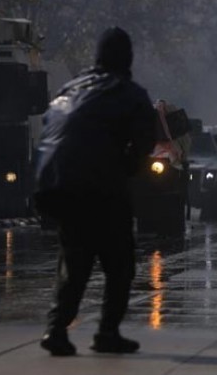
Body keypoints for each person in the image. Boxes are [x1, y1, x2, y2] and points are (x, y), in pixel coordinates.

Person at [34, 27, 156, 356]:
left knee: (73, 262)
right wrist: (126, 167)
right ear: (127, 57)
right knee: (120, 264)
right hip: (101, 190)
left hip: (57, 188)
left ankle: (56, 329)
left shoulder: (70, 88)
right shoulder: (129, 93)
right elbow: (145, 143)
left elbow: (49, 129)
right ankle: (107, 332)